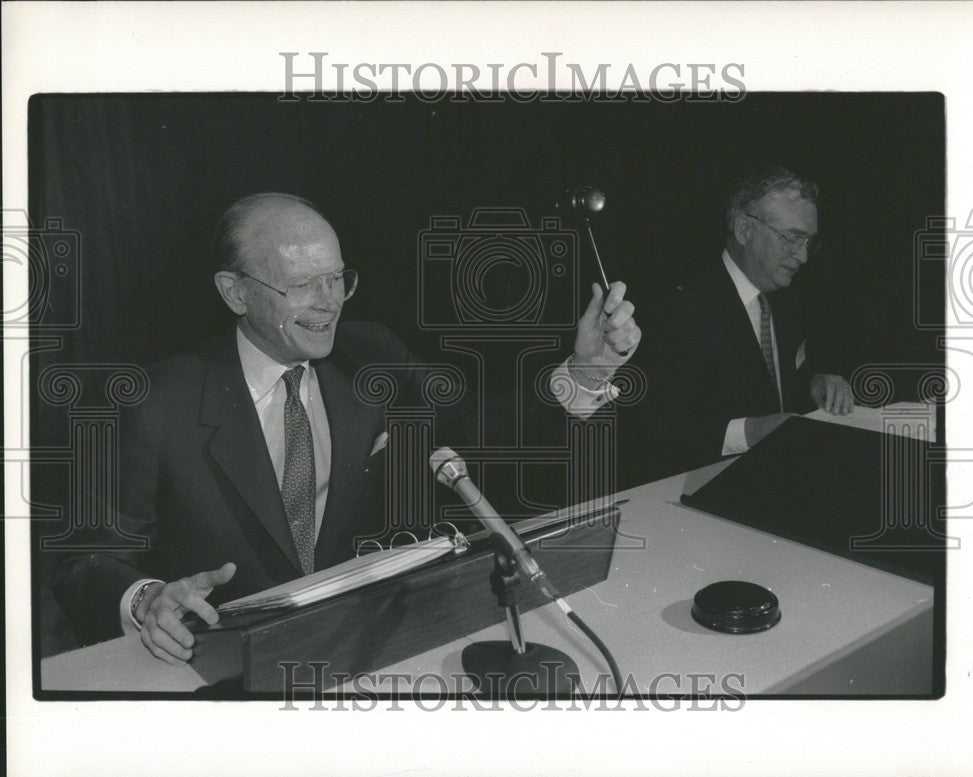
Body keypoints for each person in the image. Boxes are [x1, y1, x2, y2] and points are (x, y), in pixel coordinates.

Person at [53, 192, 641, 664]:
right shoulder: (156, 401)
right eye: (302, 284)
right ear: (235, 292)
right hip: (227, 667)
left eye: (337, 278)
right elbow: (85, 560)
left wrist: (584, 372)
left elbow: (479, 427)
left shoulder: (370, 352)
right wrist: (146, 599)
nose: (329, 302)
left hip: (369, 649)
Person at [631, 166, 853, 477]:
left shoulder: (789, 296)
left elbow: (779, 382)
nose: (802, 256)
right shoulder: (679, 306)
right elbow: (654, 427)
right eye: (792, 238)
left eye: (809, 243)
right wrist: (750, 432)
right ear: (745, 230)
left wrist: (818, 380)